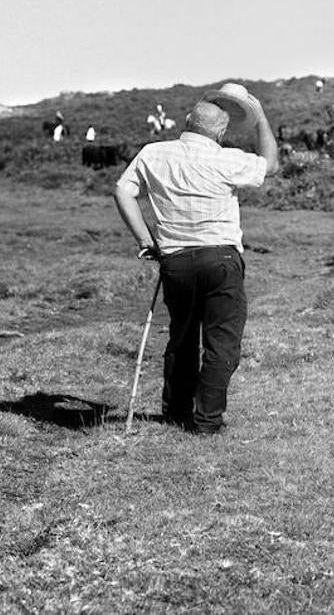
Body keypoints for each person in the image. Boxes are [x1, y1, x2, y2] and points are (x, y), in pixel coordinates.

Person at [113, 86, 279, 435]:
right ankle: (206, 423)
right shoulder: (226, 158)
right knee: (221, 342)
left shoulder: (153, 153)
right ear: (220, 132)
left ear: (188, 122)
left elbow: (122, 190)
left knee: (182, 337)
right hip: (220, 260)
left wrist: (146, 240)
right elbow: (271, 165)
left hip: (175, 261)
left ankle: (175, 413)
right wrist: (261, 117)